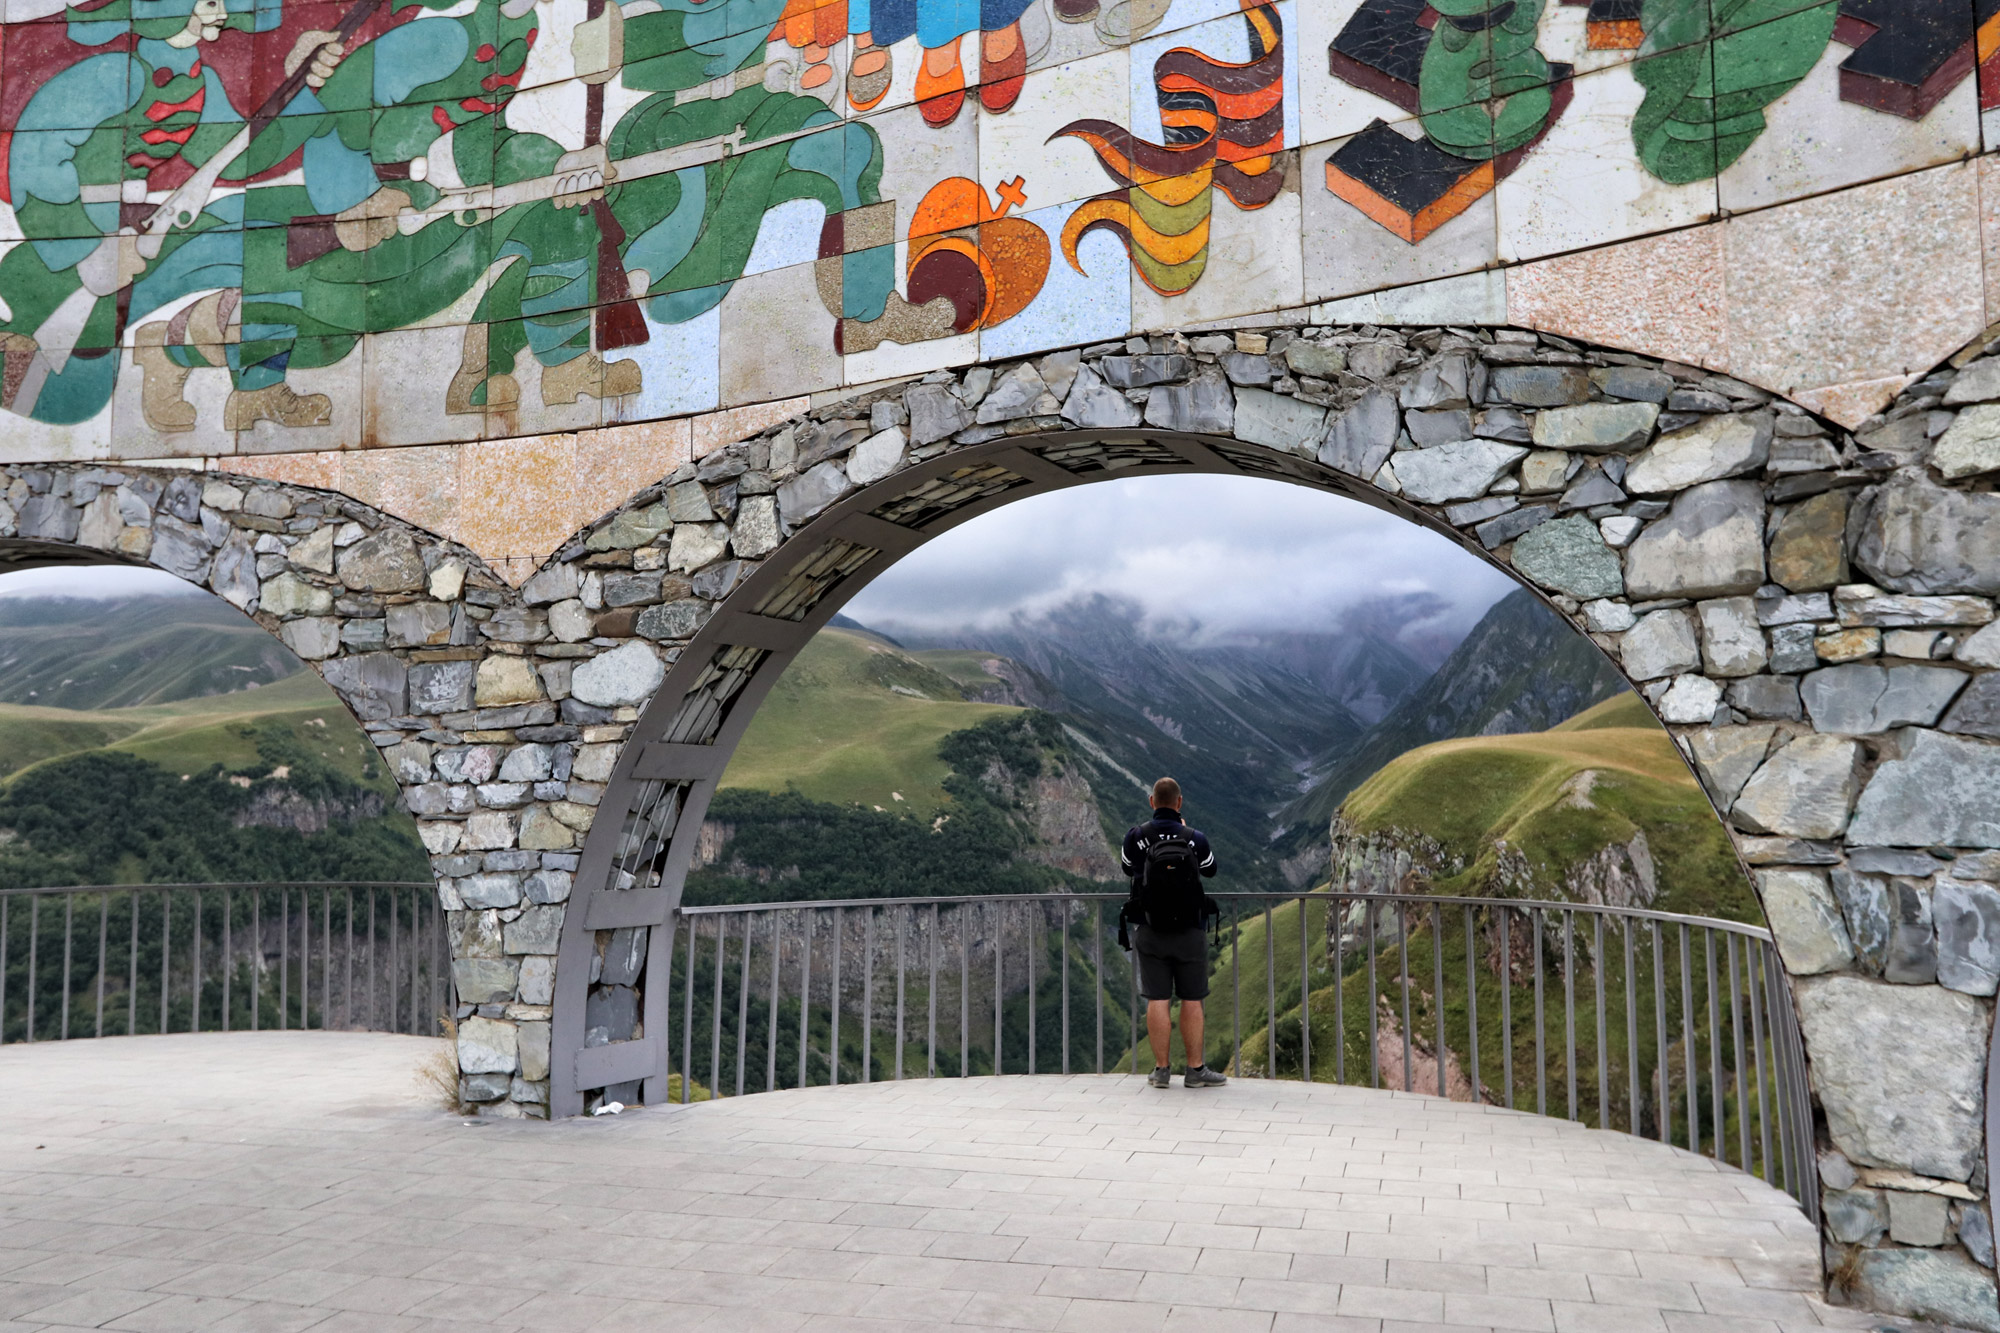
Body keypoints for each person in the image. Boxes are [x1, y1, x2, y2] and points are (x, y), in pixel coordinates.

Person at [1121, 776, 1225, 1089]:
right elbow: (1210, 869)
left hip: (1151, 929)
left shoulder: (1136, 836)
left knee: (1158, 998)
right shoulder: (1195, 837)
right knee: (1192, 999)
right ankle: (1195, 1071)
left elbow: (1128, 868)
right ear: (1179, 803)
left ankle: (1161, 1070)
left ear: (1152, 802)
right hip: (1190, 930)